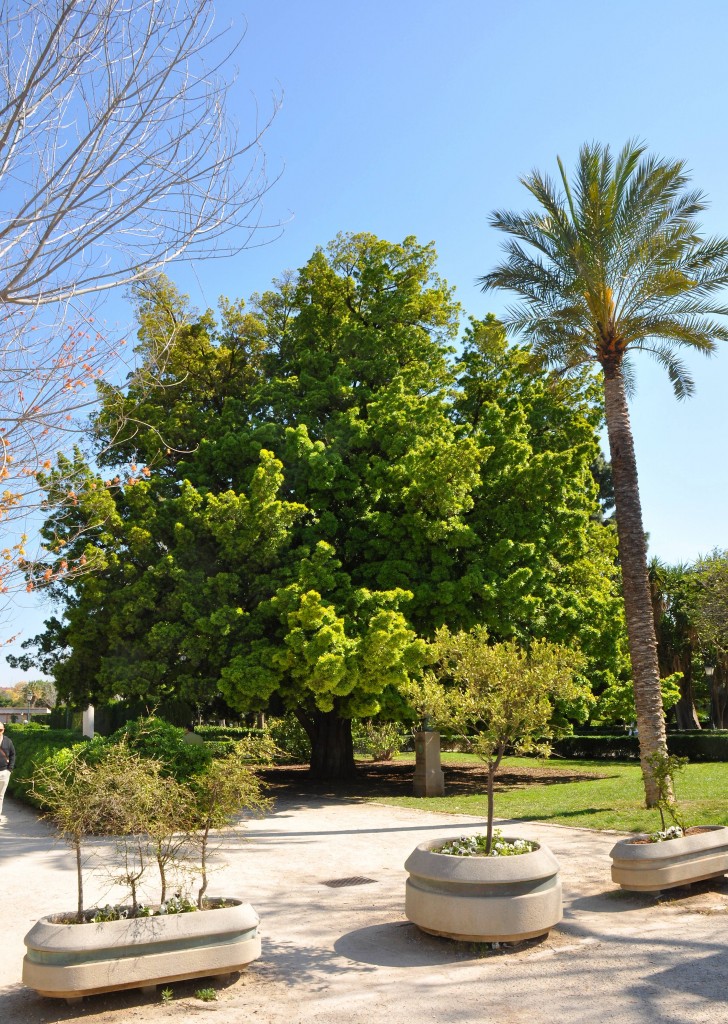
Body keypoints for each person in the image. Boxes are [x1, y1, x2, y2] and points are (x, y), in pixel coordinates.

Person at [0, 723, 16, 821]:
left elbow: (13, 755)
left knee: (0, 796)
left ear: (3, 730)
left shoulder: (8, 741)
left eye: (0, 730)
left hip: (4, 772)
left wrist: (9, 769)